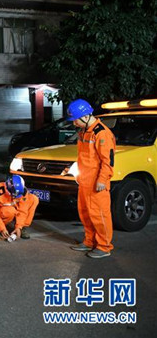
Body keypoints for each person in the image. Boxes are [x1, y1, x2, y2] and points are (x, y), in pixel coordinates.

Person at [67, 99, 116, 259]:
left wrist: (102, 180)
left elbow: (108, 161)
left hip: (97, 183)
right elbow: (85, 157)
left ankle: (104, 247)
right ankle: (89, 242)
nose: (74, 123)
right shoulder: (84, 131)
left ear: (86, 116)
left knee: (99, 216)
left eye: (75, 120)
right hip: (85, 181)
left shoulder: (102, 133)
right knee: (85, 214)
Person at [0, 175, 39, 240]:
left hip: (14, 208)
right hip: (5, 211)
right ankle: (0, 225)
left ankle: (22, 227)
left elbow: (23, 211)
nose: (15, 197)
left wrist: (19, 226)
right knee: (10, 211)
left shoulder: (22, 192)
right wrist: (1, 228)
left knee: (34, 199)